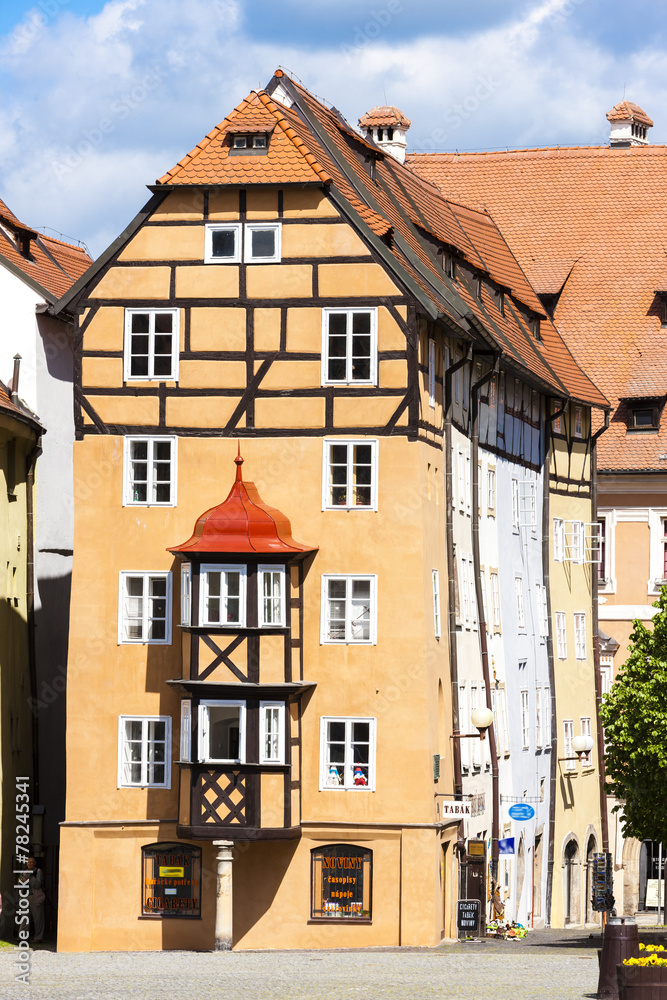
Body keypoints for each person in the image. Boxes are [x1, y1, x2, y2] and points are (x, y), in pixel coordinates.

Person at [20, 857, 45, 942]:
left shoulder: (38, 871)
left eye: (31, 862)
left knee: (38, 918)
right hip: (25, 897)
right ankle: (22, 936)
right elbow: (20, 883)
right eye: (28, 862)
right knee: (24, 917)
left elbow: (37, 884)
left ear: (35, 863)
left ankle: (38, 938)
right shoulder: (23, 872)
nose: (30, 863)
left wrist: (27, 881)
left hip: (36, 897)